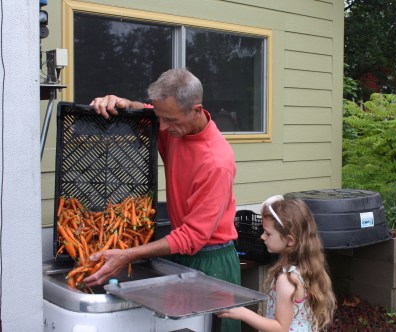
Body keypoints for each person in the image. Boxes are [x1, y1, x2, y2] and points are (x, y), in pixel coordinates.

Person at [84, 68, 241, 332]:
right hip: (180, 254)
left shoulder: (216, 162)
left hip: (212, 261)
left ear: (196, 109)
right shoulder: (176, 125)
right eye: (160, 117)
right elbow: (143, 110)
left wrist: (128, 255)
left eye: (169, 120)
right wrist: (119, 102)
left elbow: (192, 237)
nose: (163, 128)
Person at [217, 195, 336, 331]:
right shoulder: (306, 267)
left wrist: (243, 313)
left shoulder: (287, 279)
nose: (262, 237)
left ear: (290, 240)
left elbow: (280, 328)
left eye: (268, 233)